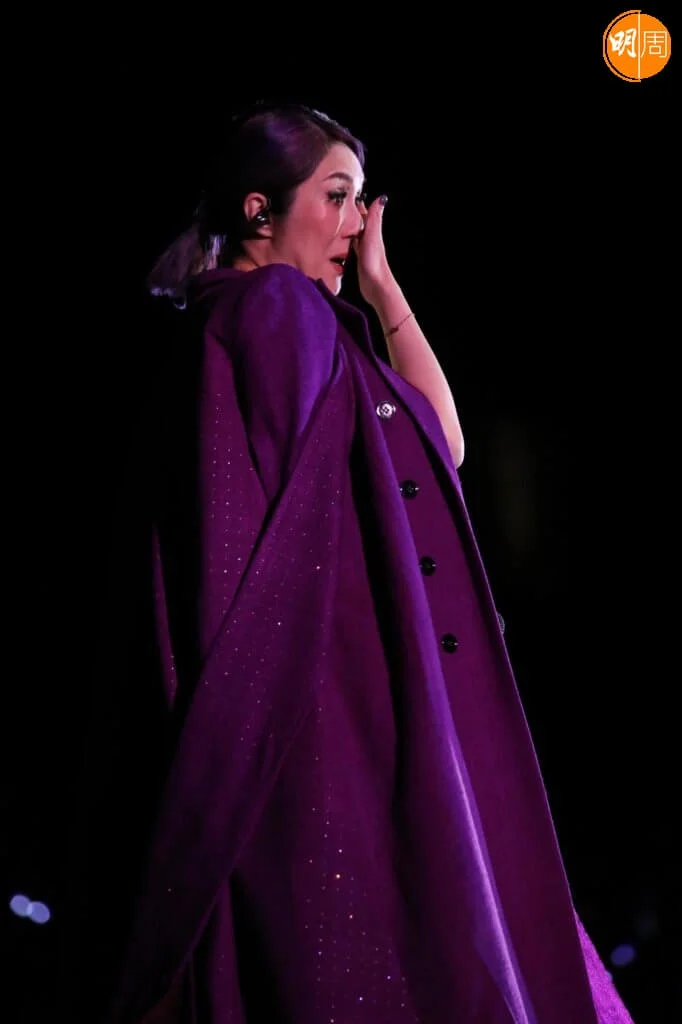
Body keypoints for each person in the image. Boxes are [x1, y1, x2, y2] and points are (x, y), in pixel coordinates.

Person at [70, 102, 635, 1023]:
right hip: (340, 702)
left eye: (362, 199)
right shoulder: (275, 307)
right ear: (260, 210)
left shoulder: (263, 321)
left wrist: (381, 289)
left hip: (338, 694)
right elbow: (290, 522)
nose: (354, 223)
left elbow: (443, 445)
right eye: (335, 197)